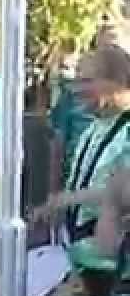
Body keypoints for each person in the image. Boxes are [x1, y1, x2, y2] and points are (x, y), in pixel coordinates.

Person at [33, 44, 130, 249]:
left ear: (117, 82)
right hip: (82, 246)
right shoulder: (93, 128)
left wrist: (66, 199)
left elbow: (122, 192)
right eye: (76, 82)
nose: (78, 91)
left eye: (87, 81)